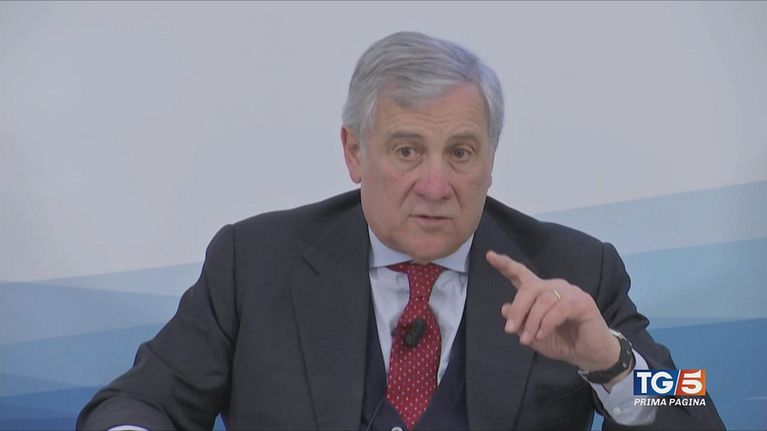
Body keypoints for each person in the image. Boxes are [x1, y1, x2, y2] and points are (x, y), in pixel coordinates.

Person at [78, 31, 725, 431]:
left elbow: (690, 399)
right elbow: (135, 403)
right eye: (407, 151)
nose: (435, 185)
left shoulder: (575, 271)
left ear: (491, 160)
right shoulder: (254, 263)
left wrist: (611, 362)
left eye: (461, 153)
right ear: (354, 152)